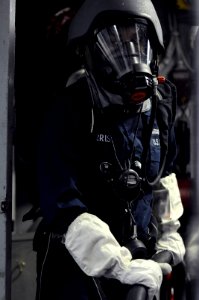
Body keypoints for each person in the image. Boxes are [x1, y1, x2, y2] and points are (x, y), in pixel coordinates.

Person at [33, 0, 186, 299]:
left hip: (143, 273)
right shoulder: (69, 111)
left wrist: (168, 242)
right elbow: (65, 209)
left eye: (138, 42)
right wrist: (121, 267)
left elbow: (163, 180)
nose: (130, 56)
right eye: (116, 46)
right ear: (87, 53)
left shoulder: (160, 108)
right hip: (77, 275)